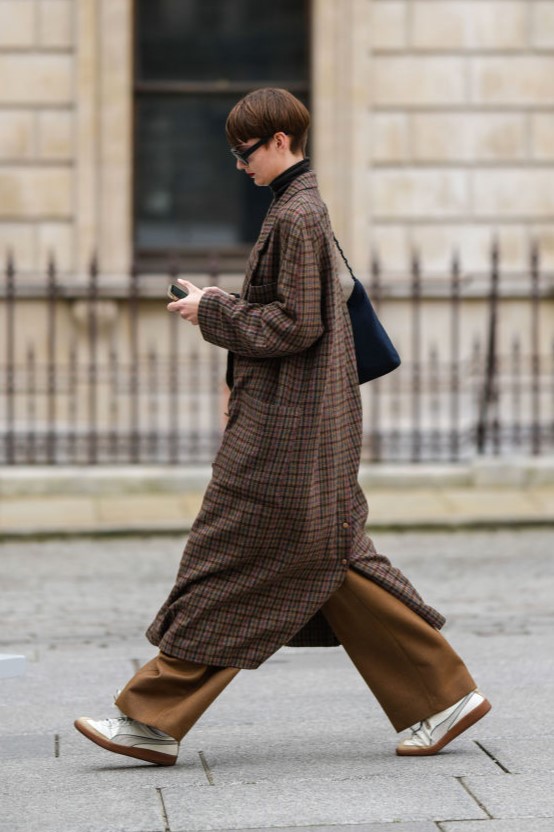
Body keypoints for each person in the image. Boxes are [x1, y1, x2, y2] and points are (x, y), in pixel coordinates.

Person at [74, 88, 490, 767]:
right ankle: (442, 696)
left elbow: (297, 323)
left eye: (244, 153)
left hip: (289, 430)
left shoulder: (298, 214)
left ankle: (148, 720)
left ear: (277, 141)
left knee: (234, 560)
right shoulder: (294, 208)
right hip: (302, 422)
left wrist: (213, 310)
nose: (239, 166)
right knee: (327, 559)